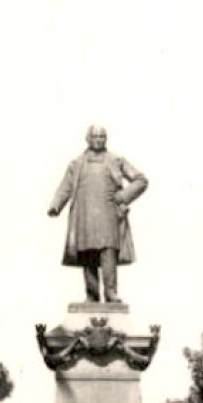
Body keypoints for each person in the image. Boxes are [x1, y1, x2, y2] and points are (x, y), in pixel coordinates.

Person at [48, 125, 147, 303]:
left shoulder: (116, 160)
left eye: (102, 137)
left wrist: (123, 196)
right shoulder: (77, 164)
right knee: (87, 253)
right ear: (87, 138)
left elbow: (141, 180)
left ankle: (111, 292)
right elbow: (66, 187)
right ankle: (92, 295)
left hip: (109, 214)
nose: (99, 140)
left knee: (108, 251)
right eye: (95, 137)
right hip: (84, 215)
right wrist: (56, 205)